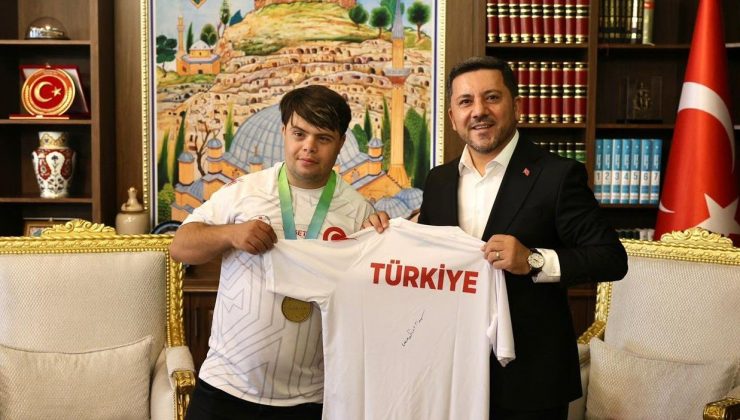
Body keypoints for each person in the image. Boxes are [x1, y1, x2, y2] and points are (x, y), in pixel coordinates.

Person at [365, 56, 628, 419]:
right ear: (453, 116)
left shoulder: (557, 175)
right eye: (466, 101)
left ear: (515, 106)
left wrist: (534, 260)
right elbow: (427, 263)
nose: (479, 111)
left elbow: (611, 258)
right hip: (449, 370)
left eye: (491, 97)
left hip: (528, 379)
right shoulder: (439, 180)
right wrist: (383, 237)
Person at [171, 85, 375, 420]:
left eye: (323, 138)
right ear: (284, 132)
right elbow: (180, 247)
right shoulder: (243, 191)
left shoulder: (358, 212)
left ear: (340, 143)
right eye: (299, 133)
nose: (308, 146)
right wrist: (231, 234)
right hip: (225, 388)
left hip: (311, 398)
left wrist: (385, 237)